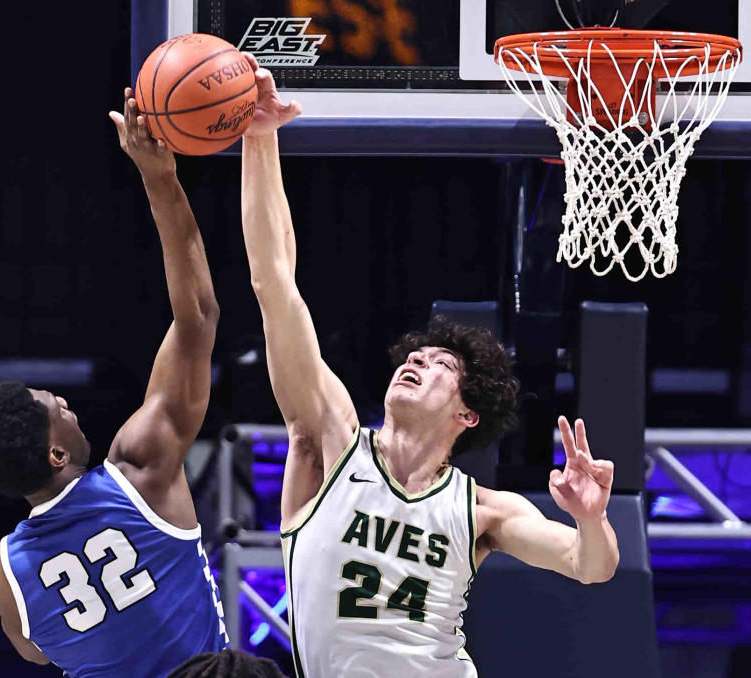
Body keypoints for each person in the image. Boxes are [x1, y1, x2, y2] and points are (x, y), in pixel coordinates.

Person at [237, 53, 620, 678]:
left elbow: (591, 566)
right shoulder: (329, 442)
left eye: (441, 363)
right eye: (415, 354)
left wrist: (592, 519)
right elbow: (273, 281)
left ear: (469, 412)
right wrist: (260, 140)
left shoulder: (482, 511)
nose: (416, 359)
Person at [0, 88, 228, 678]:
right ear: (56, 452)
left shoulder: (1, 574)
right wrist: (160, 178)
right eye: (56, 407)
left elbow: (39, 650)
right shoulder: (138, 470)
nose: (65, 402)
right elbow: (198, 316)